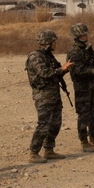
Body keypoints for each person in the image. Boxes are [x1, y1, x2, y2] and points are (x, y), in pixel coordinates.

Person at [26, 30, 73, 163]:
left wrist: (65, 69)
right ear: (47, 43)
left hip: (54, 95)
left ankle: (49, 150)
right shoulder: (36, 56)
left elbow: (56, 74)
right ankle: (34, 153)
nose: (55, 44)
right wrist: (62, 69)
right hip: (43, 96)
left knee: (55, 124)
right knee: (43, 125)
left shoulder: (49, 56)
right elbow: (45, 74)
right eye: (53, 42)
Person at [67, 23, 94, 152]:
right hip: (82, 88)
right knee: (84, 115)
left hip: (92, 86)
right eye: (84, 34)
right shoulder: (74, 52)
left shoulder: (88, 49)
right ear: (78, 36)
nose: (86, 36)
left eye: (86, 33)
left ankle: (93, 138)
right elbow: (78, 70)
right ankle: (84, 141)